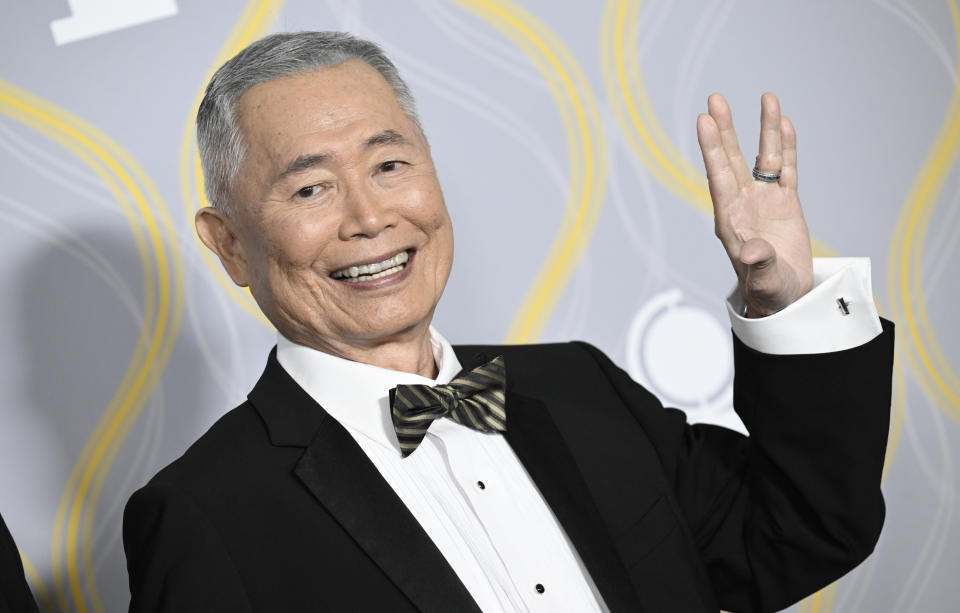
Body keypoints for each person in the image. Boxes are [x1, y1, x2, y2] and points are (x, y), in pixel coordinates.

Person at [122, 31, 894, 613]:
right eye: (311, 189)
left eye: (390, 165)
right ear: (230, 244)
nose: (370, 217)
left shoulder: (579, 384)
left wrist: (781, 298)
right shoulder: (202, 515)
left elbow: (803, 528)